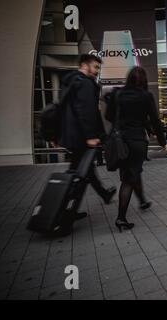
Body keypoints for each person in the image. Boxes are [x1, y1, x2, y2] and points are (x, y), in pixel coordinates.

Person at [105, 66, 167, 232]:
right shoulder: (146, 96)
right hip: (136, 142)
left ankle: (142, 201)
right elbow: (155, 120)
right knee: (128, 179)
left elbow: (108, 116)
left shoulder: (118, 94)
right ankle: (120, 218)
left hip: (120, 142)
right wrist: (163, 141)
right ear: (144, 81)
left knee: (132, 173)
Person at [58, 54, 116, 221]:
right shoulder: (84, 83)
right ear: (85, 65)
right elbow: (86, 111)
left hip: (73, 135)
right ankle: (63, 210)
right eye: (95, 67)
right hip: (82, 137)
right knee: (79, 174)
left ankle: (101, 195)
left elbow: (66, 109)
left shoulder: (70, 81)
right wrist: (91, 136)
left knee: (83, 171)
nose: (97, 72)